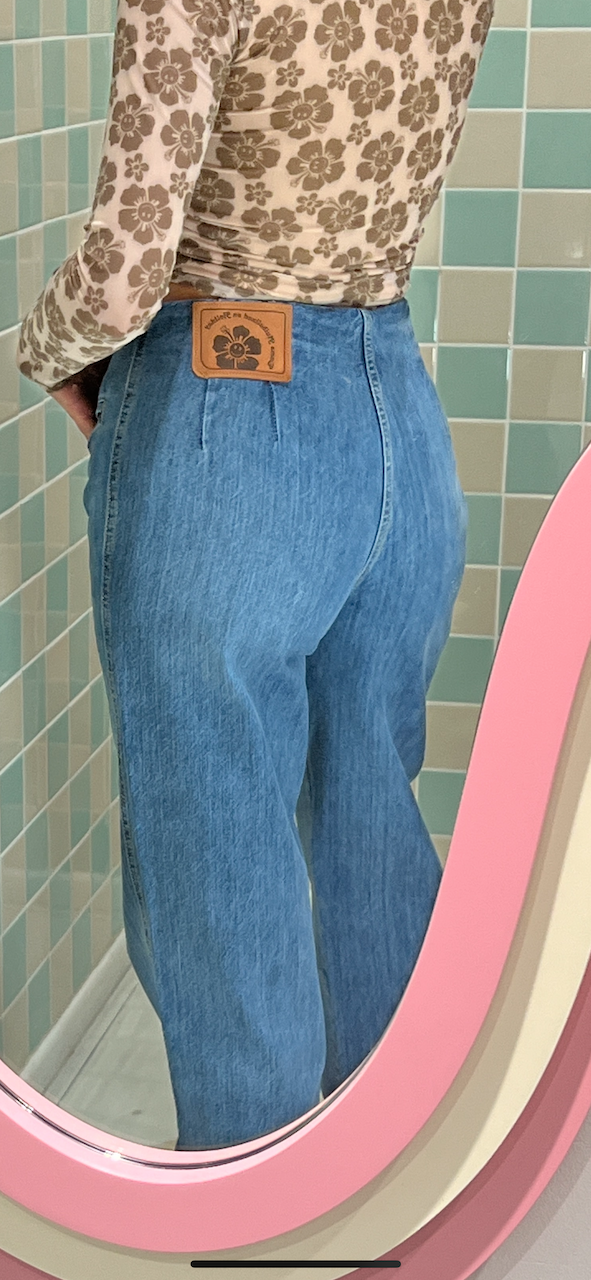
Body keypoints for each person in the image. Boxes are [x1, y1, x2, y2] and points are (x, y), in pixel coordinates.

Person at [16, 0, 494, 1150]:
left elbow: (129, 264)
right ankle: (397, 1198)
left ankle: (258, 1248)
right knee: (373, 819)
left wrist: (44, 351)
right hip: (396, 419)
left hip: (230, 408)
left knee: (215, 859)